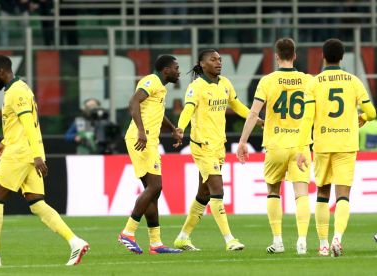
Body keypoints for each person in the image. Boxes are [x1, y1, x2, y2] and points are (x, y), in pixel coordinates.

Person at [0, 55, 89, 267]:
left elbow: (30, 126)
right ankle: (75, 242)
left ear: (1, 71)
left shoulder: (17, 91)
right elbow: (21, 126)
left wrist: (37, 156)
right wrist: (4, 142)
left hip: (21, 153)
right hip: (24, 150)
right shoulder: (19, 88)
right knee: (37, 203)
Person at [173, 49, 262, 251]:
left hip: (218, 145)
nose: (218, 62)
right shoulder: (196, 87)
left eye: (220, 59)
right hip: (202, 146)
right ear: (202, 64)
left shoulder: (225, 83)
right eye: (213, 59)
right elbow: (188, 109)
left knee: (203, 193)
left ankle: (183, 237)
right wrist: (181, 128)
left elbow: (237, 105)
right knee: (217, 190)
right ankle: (229, 239)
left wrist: (255, 120)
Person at [296, 38, 376, 257]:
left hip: (322, 144)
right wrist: (361, 117)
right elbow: (372, 113)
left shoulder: (314, 83)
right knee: (343, 196)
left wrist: (302, 148)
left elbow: (307, 117)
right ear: (342, 57)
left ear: (323, 57)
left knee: (322, 193)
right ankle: (337, 239)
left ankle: (322, 244)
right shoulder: (354, 81)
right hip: (346, 145)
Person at [236, 38, 313, 255]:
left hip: (276, 145)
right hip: (300, 146)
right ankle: (302, 241)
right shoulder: (307, 80)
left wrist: (243, 141)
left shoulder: (267, 81)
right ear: (295, 56)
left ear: (277, 56)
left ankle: (278, 241)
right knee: (301, 194)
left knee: (272, 191)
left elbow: (253, 113)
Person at [118, 55, 183, 254]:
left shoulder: (160, 87)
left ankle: (156, 244)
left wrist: (172, 128)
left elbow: (156, 111)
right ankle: (127, 232)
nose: (178, 71)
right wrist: (140, 130)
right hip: (140, 139)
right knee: (155, 186)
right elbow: (133, 102)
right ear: (166, 70)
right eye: (176, 67)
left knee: (153, 191)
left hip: (150, 141)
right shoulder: (151, 81)